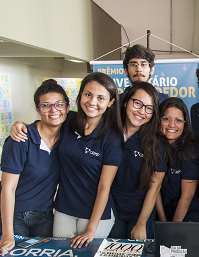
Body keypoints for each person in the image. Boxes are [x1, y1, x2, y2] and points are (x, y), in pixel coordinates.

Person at [10, 73, 123, 247]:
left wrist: (91, 230)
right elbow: (45, 124)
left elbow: (104, 187)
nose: (92, 102)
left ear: (111, 102)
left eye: (101, 98)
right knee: (61, 256)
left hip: (94, 212)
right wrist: (21, 124)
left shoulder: (112, 138)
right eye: (88, 94)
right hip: (65, 208)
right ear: (80, 96)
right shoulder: (69, 120)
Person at [0, 80, 69, 257]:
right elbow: (8, 188)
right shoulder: (21, 139)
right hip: (12, 215)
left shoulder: (67, 137)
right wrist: (8, 234)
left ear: (68, 108)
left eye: (59, 104)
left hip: (43, 214)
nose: (54, 110)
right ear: (38, 110)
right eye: (46, 106)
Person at [108, 82, 167, 240]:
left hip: (140, 213)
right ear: (126, 101)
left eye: (149, 108)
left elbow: (155, 187)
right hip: (111, 210)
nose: (142, 111)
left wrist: (141, 223)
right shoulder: (110, 133)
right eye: (138, 103)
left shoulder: (156, 143)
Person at [155, 97, 199, 223]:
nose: (172, 125)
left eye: (178, 120)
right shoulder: (154, 147)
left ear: (185, 123)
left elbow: (186, 198)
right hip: (162, 209)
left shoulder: (191, 151)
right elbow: (154, 189)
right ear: (159, 120)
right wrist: (163, 221)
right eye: (166, 119)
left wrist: (172, 228)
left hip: (188, 211)